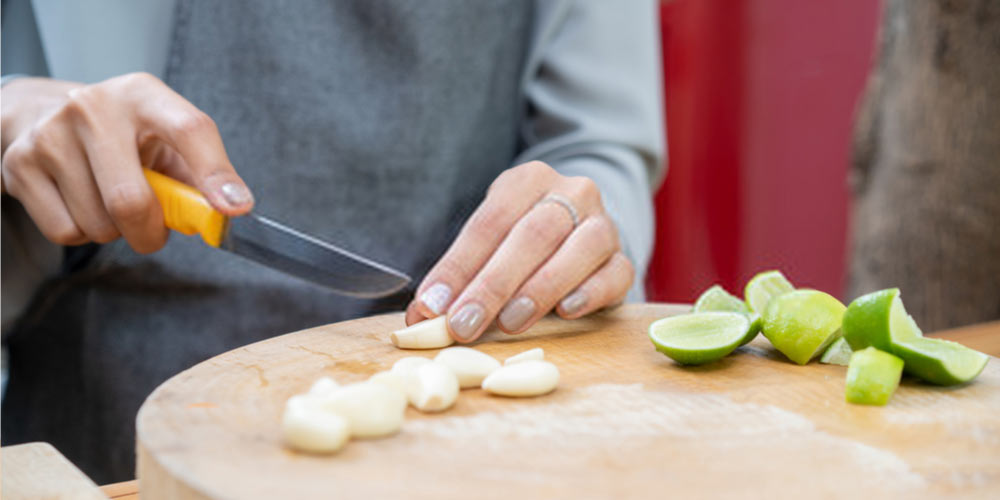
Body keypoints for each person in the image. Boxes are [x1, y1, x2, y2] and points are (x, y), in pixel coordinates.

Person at [0, 0, 663, 482]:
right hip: (102, 442)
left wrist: (569, 236)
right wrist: (11, 108)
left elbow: (594, 145)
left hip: (463, 451)